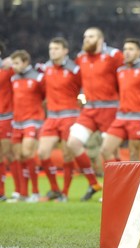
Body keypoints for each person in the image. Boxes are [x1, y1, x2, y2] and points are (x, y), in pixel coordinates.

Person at [67, 27, 123, 201]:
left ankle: (118, 190)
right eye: (84, 36)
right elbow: (75, 82)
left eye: (90, 36)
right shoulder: (81, 58)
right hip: (89, 108)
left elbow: (125, 78)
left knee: (111, 151)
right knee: (73, 143)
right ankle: (93, 183)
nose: (86, 39)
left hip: (110, 108)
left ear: (100, 39)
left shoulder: (114, 55)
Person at [37, 37, 81, 202]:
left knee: (67, 155)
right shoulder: (45, 68)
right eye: (51, 48)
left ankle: (65, 193)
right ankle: (54, 189)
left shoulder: (74, 69)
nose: (52, 51)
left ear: (65, 51)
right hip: (52, 116)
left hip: (70, 115)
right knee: (42, 152)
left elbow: (84, 86)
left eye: (56, 48)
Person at [100, 38, 140, 162]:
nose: (127, 52)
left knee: (134, 156)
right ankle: (121, 179)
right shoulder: (120, 71)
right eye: (125, 49)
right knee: (105, 150)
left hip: (139, 118)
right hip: (121, 117)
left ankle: (133, 182)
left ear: (139, 52)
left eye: (131, 49)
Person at [9, 50, 45, 202]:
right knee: (18, 156)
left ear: (25, 62)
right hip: (17, 121)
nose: (14, 66)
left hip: (33, 120)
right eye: (13, 63)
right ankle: (23, 193)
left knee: (27, 153)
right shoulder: (14, 78)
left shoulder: (38, 77)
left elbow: (45, 96)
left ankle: (35, 192)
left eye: (17, 63)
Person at [0, 42, 19, 201]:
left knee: (9, 154)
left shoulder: (8, 69)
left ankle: (20, 191)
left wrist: (12, 61)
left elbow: (24, 68)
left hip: (6, 117)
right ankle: (1, 192)